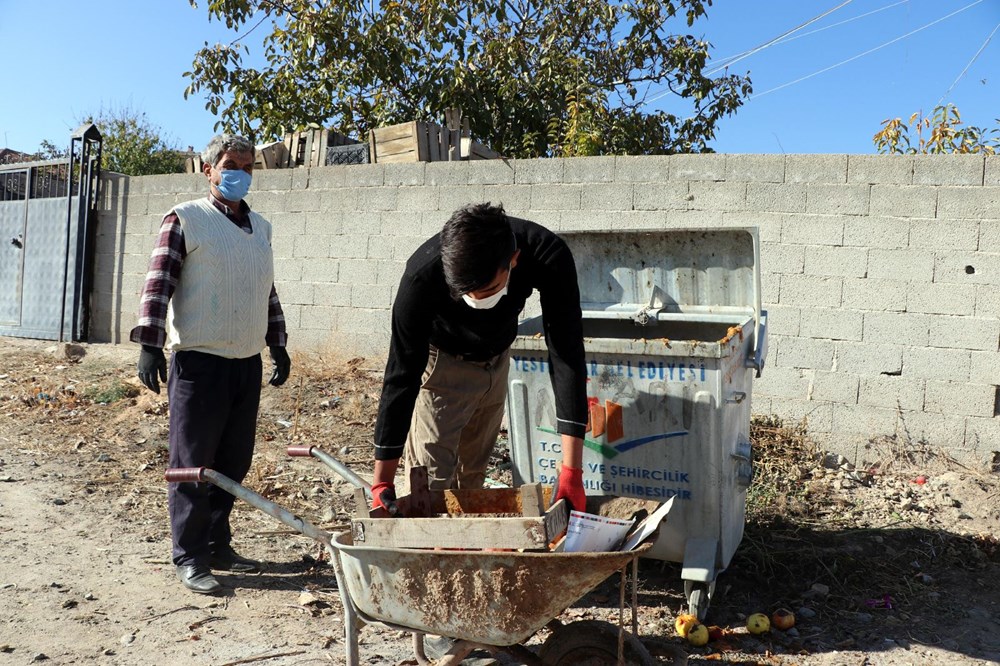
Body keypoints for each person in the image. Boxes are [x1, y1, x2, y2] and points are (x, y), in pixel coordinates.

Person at [130, 134, 291, 595]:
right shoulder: (185, 219)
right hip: (199, 364)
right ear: (209, 169)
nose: (239, 172)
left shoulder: (260, 227)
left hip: (245, 362)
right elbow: (158, 281)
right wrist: (150, 343)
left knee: (234, 460)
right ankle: (189, 555)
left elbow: (266, 288)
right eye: (229, 163)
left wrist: (276, 342)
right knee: (192, 465)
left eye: (247, 165)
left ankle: (218, 541)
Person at [371, 202, 588, 514]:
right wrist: (382, 482)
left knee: (472, 479)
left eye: (488, 289)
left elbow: (566, 355)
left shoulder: (546, 254)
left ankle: (464, 556)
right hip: (442, 366)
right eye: (467, 293)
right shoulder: (421, 277)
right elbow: (401, 375)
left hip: (496, 362)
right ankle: (432, 556)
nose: (476, 300)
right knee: (430, 486)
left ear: (513, 261)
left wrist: (571, 472)